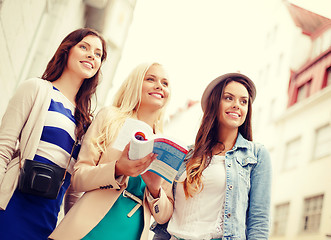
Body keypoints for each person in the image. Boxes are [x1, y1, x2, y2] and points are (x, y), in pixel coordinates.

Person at [0, 27, 107, 239]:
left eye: (98, 54)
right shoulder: (36, 89)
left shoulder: (86, 121)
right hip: (14, 202)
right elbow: (3, 148)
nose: (91, 55)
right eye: (84, 47)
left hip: (48, 217)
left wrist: (71, 228)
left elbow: (73, 187)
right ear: (67, 50)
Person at [49, 62, 174, 240]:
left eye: (165, 83)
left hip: (132, 233)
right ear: (136, 83)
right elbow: (77, 178)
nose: (159, 86)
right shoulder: (109, 117)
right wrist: (117, 169)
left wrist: (155, 189)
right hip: (89, 229)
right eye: (150, 79)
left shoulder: (166, 146)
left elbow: (164, 216)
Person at [153, 73, 272, 240]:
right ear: (214, 103)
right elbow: (165, 213)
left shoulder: (256, 155)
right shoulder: (185, 155)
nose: (237, 105)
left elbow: (259, 222)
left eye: (243, 101)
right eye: (229, 98)